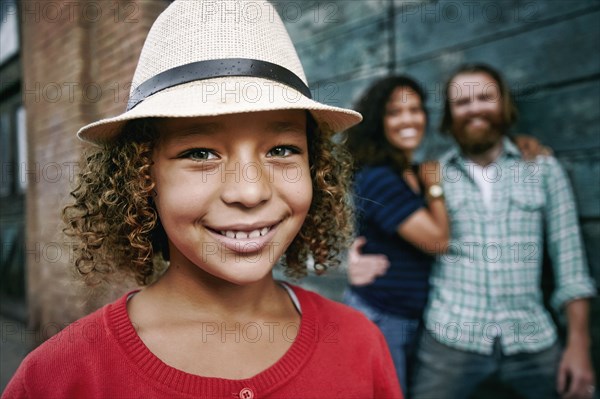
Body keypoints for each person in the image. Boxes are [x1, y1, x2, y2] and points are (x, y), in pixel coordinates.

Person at [2, 2, 403, 398]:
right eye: (200, 153)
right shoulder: (58, 378)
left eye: (281, 150)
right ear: (141, 177)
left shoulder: (360, 344)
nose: (250, 191)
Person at [406, 64, 596, 399]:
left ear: (503, 105)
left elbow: (571, 262)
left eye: (484, 97)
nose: (474, 107)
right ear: (450, 116)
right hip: (450, 337)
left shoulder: (542, 169)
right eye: (462, 102)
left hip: (531, 336)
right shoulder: (433, 176)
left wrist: (579, 345)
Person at [344, 76, 450, 393]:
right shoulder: (379, 177)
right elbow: (437, 241)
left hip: (410, 315)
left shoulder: (409, 171)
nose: (408, 119)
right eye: (394, 112)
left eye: (415, 109)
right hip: (383, 314)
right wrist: (434, 186)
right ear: (380, 121)